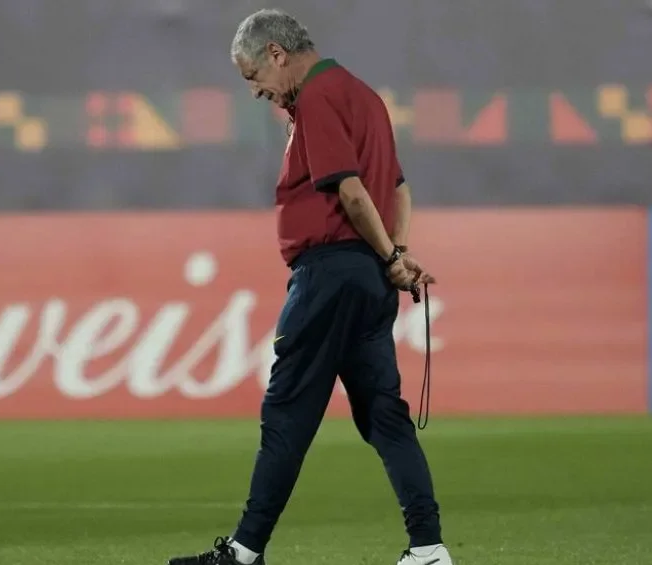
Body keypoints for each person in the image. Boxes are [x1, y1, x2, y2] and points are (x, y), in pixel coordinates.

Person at [167, 8, 452, 565]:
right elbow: (398, 189)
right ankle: (429, 549)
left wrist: (392, 254)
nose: (255, 92)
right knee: (383, 417)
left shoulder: (317, 97)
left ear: (277, 53)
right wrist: (393, 257)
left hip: (328, 276)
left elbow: (348, 192)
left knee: (287, 413)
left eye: (253, 77)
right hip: (367, 280)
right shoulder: (364, 96)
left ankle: (245, 553)